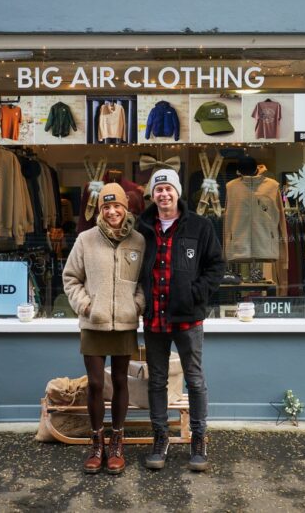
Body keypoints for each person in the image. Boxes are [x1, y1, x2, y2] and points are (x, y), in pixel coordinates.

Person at [136, 168, 225, 472]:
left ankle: (198, 440)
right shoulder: (142, 227)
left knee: (195, 380)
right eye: (158, 189)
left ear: (177, 193)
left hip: (188, 319)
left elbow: (216, 266)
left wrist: (195, 293)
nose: (163, 194)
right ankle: (161, 438)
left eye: (168, 189)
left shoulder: (199, 227)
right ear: (152, 194)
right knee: (157, 381)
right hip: (155, 319)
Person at [62, 183, 145, 475]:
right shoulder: (86, 240)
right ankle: (97, 444)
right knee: (96, 384)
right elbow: (70, 277)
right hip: (93, 323)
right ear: (100, 210)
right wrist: (85, 306)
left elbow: (144, 283)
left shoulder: (138, 241)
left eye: (117, 206)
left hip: (124, 323)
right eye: (106, 207)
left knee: (121, 382)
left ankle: (117, 443)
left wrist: (136, 305)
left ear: (126, 208)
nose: (112, 212)